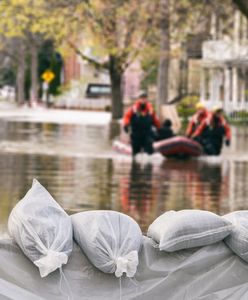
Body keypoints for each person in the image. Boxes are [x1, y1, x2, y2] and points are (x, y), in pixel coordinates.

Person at [123, 92, 160, 156]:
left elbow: (155, 120)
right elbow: (127, 117)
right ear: (139, 99)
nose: (143, 100)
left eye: (145, 98)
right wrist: (126, 125)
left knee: (149, 150)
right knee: (135, 153)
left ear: (147, 99)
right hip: (136, 134)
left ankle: (148, 164)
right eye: (142, 98)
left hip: (147, 133)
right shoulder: (134, 108)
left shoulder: (150, 109)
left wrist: (159, 128)